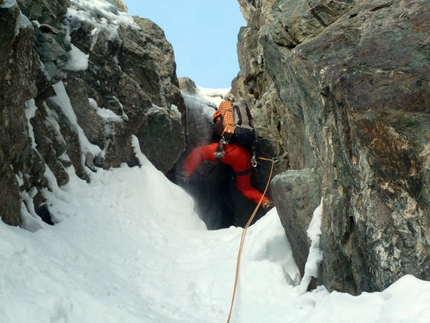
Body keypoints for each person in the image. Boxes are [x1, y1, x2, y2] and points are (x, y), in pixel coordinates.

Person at [178, 101, 274, 211]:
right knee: (245, 188)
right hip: (246, 157)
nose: (216, 122)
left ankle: (184, 174)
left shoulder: (224, 121)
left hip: (230, 151)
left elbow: (217, 140)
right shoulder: (241, 124)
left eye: (216, 120)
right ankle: (265, 202)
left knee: (199, 152)